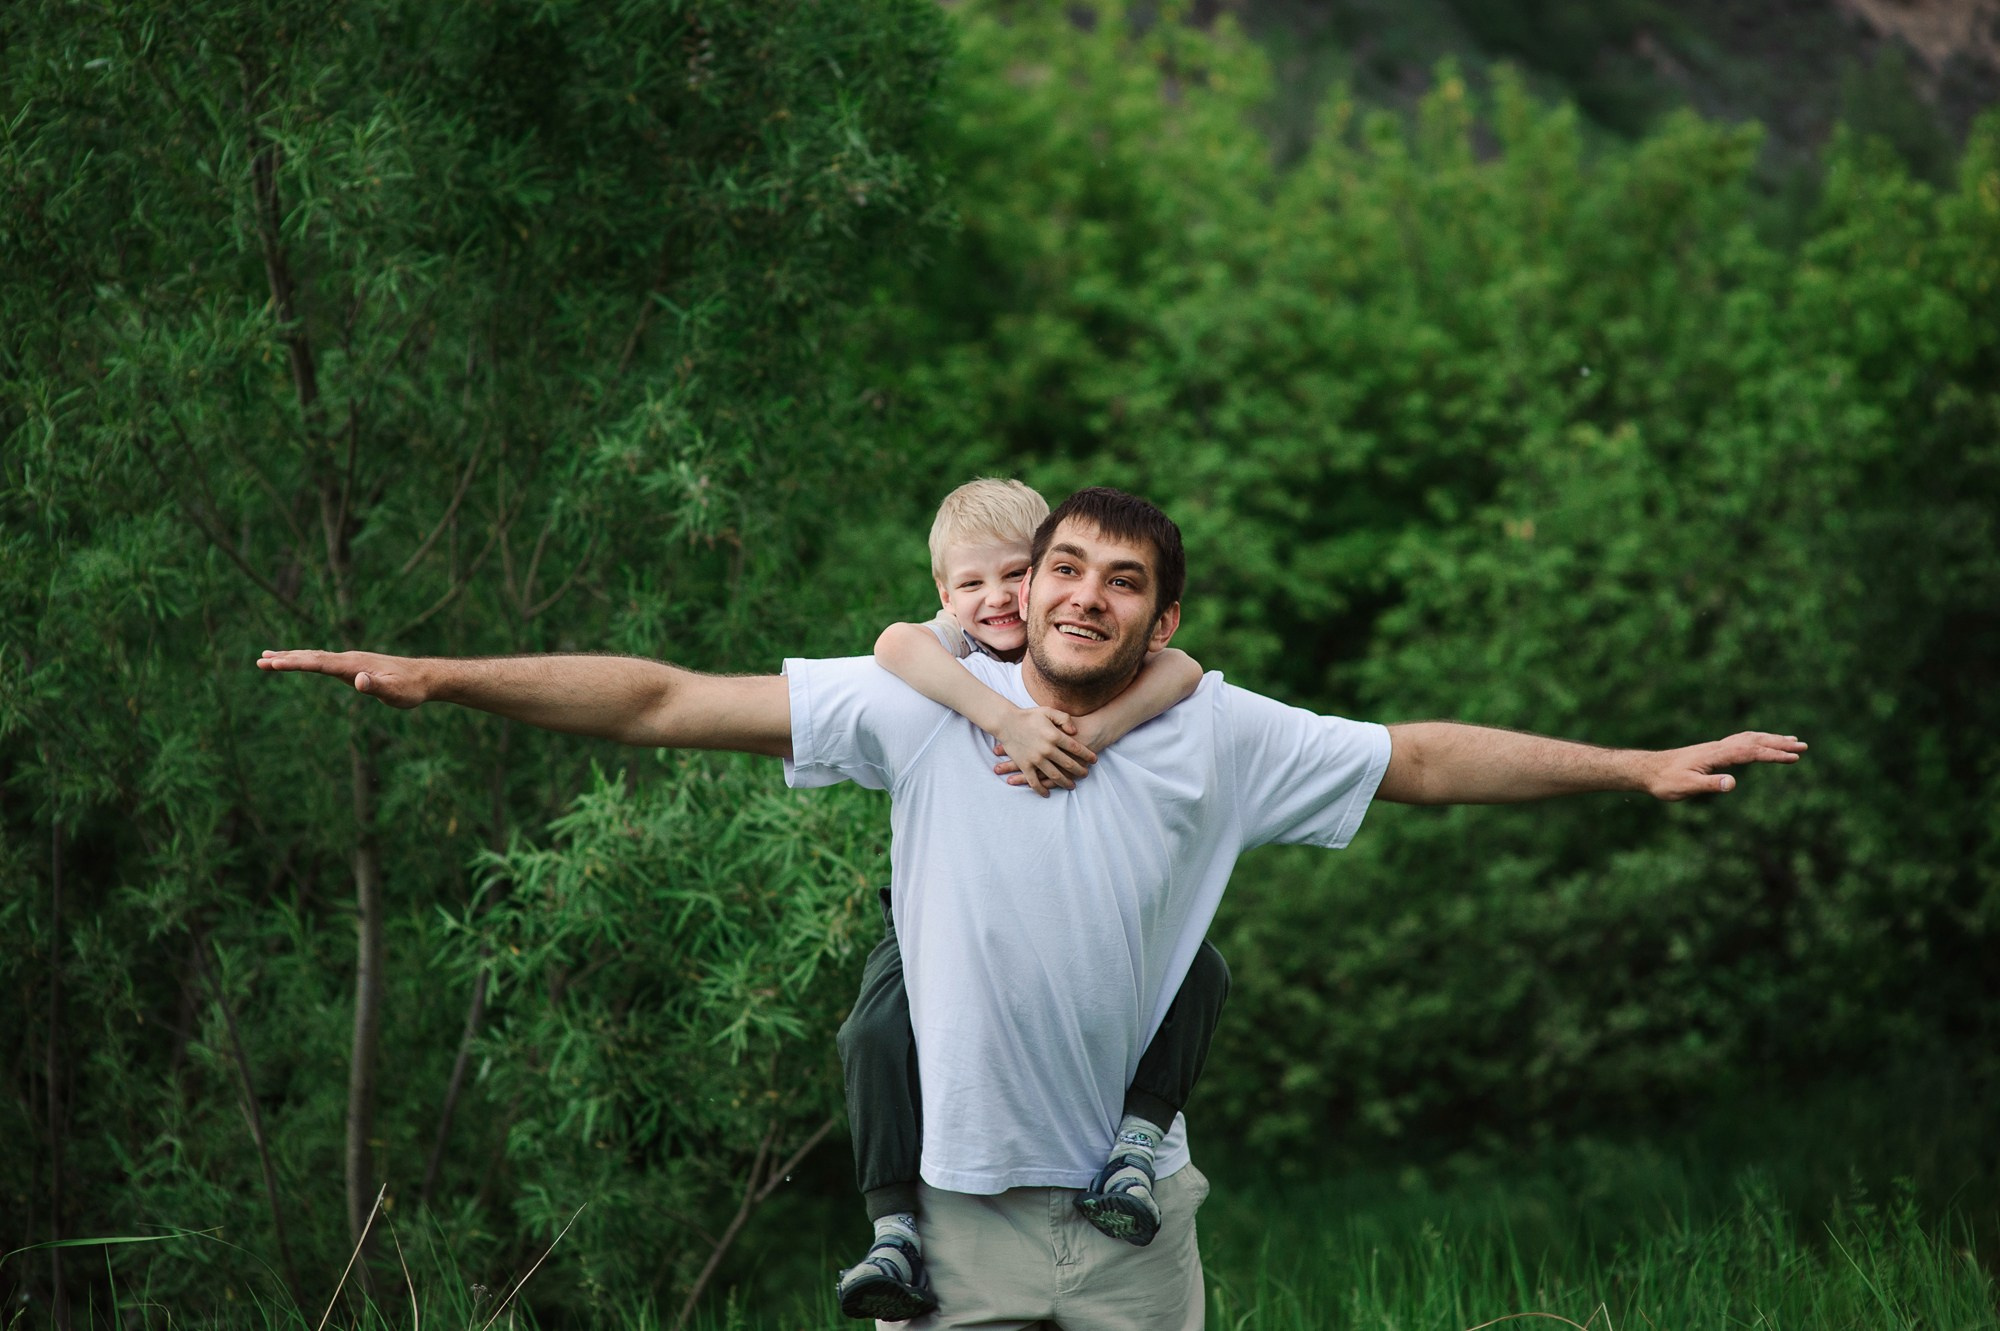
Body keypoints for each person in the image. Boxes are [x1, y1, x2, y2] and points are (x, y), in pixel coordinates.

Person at [257, 486, 1806, 1331]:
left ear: (1162, 615)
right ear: (1017, 585)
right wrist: (439, 674)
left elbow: (1419, 757)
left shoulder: (1221, 724)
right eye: (1063, 565)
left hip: (1140, 1236)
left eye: (1121, 579)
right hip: (956, 1233)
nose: (1080, 594)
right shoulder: (925, 703)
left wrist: (1634, 763)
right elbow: (665, 696)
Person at [841, 478, 1221, 1320]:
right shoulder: (958, 656)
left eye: (1016, 574)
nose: (996, 598)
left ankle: (1136, 1140)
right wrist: (1000, 719)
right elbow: (893, 642)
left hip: (1079, 917)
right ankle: (893, 1224)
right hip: (943, 922)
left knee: (1200, 967)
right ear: (947, 591)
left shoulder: (1086, 650)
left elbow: (1187, 667)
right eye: (970, 583)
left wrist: (1105, 726)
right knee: (871, 1030)